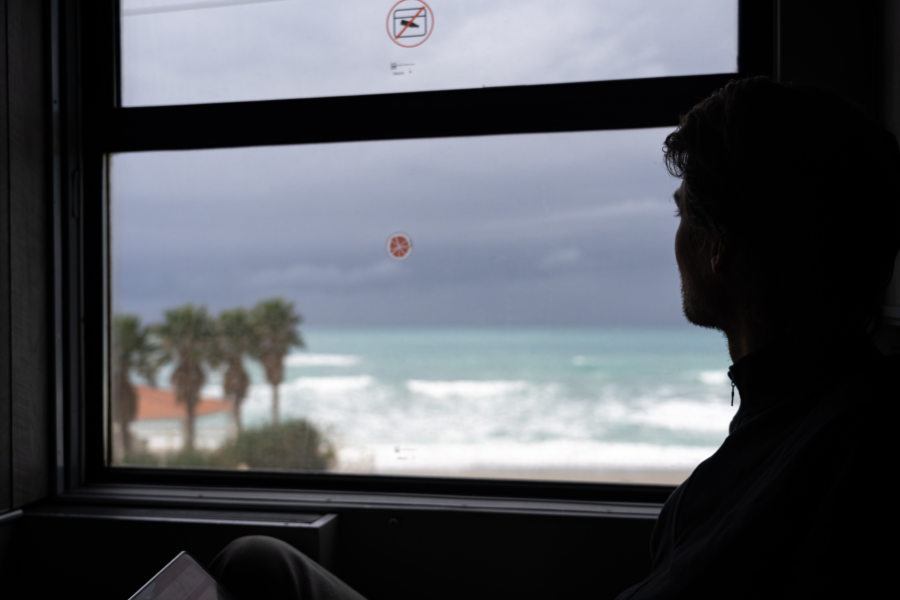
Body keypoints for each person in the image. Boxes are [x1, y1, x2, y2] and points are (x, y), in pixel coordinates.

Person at [207, 76, 900, 599]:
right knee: (262, 562)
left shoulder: (826, 451)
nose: (676, 239)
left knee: (255, 567)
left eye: (685, 213)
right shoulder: (816, 419)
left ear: (719, 247)